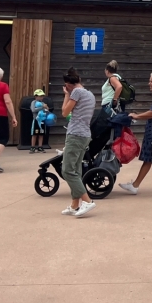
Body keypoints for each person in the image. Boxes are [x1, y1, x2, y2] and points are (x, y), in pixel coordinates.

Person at [60, 68, 97, 217]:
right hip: (85, 134)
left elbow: (64, 112)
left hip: (75, 134)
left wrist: (66, 95)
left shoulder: (75, 92)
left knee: (67, 170)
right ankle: (75, 204)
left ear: (69, 84)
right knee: (75, 170)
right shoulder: (90, 94)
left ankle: (87, 201)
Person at [30, 89, 53, 153]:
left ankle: (40, 147)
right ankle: (32, 147)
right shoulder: (33, 102)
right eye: (40, 96)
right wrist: (42, 107)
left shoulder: (43, 103)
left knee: (41, 134)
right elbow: (33, 110)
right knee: (34, 134)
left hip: (42, 121)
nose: (41, 97)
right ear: (36, 96)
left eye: (42, 96)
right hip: (36, 120)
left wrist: (47, 109)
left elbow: (46, 111)